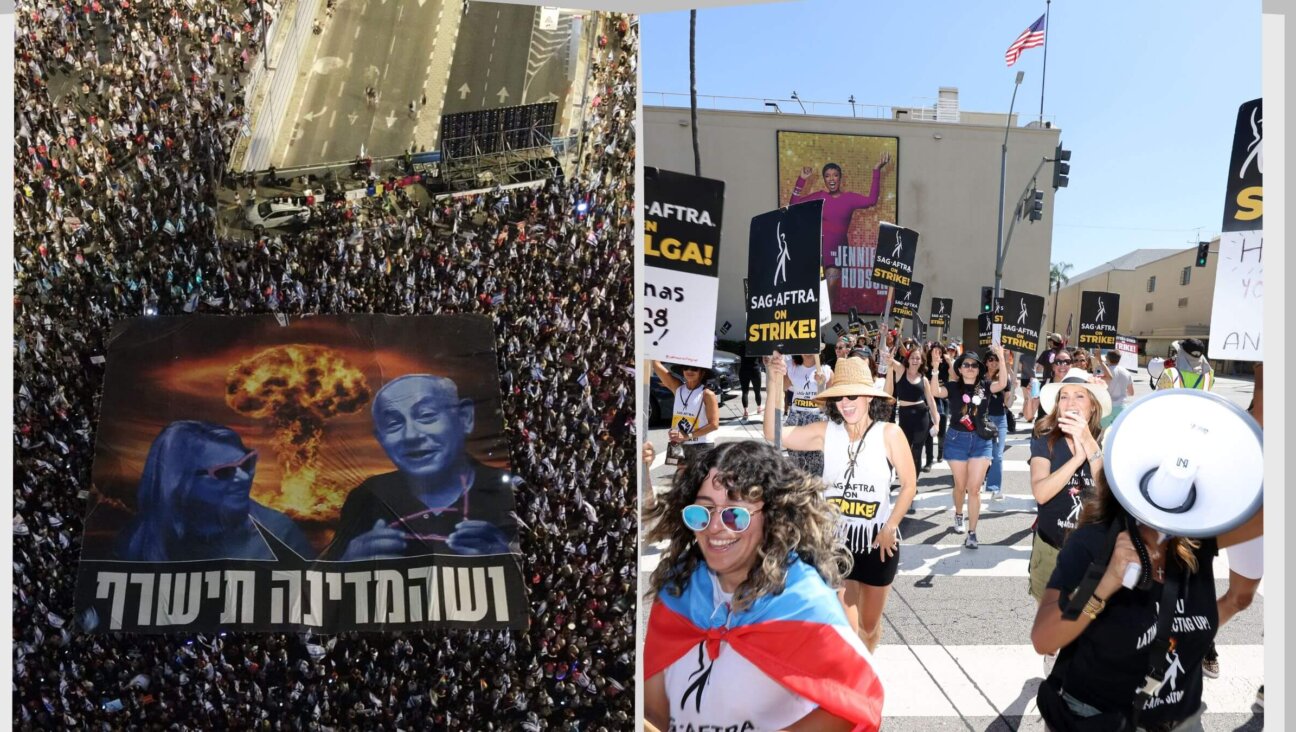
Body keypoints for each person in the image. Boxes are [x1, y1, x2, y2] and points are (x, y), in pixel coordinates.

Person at [643, 441, 885, 731]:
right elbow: (654, 709)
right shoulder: (677, 591)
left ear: (772, 517)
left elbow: (855, 702)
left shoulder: (802, 602)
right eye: (702, 512)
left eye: (735, 514)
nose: (715, 527)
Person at [1030, 469, 1262, 730]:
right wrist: (1103, 584)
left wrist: (1232, 602)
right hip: (1098, 719)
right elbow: (1044, 637)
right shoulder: (1094, 542)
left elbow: (1265, 509)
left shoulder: (1195, 546)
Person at [766, 356, 918, 650]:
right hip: (837, 541)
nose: (845, 403)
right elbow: (773, 435)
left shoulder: (889, 433)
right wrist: (773, 380)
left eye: (852, 395)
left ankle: (868, 651)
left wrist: (891, 527)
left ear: (868, 397)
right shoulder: (826, 432)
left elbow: (910, 484)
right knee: (848, 629)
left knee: (869, 625)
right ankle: (857, 679)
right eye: (839, 397)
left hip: (878, 542)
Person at [323, 375, 517, 560]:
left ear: (465, 417)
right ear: (380, 438)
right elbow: (321, 578)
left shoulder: (506, 491)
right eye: (393, 424)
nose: (411, 435)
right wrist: (347, 563)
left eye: (426, 415)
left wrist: (505, 556)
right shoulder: (368, 497)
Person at [116, 421, 314, 562]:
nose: (244, 478)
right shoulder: (138, 541)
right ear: (179, 483)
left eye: (247, 464)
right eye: (224, 471)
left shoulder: (279, 533)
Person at [789, 154, 892, 306]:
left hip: (837, 252)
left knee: (830, 290)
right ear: (824, 179)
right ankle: (817, 328)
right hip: (817, 250)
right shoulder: (820, 196)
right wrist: (802, 179)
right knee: (814, 293)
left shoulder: (849, 198)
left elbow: (871, 200)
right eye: (827, 176)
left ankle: (823, 327)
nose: (831, 179)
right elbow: (793, 205)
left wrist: (876, 170)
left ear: (840, 178)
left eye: (835, 175)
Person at [931, 346, 1008, 547]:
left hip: (981, 440)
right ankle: (958, 514)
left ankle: (972, 533)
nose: (970, 367)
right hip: (957, 440)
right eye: (966, 364)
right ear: (960, 368)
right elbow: (935, 391)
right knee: (961, 486)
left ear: (978, 368)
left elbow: (1003, 384)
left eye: (974, 365)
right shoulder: (952, 386)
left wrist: (1001, 357)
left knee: (974, 490)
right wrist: (934, 368)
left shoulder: (985, 385)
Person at [652, 361, 720, 469]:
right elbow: (656, 365)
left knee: (699, 481)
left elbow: (714, 424)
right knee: (681, 479)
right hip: (677, 443)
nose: (689, 371)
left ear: (702, 372)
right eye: (686, 368)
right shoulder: (678, 388)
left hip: (700, 445)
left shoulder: (707, 394)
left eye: (694, 368)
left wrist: (687, 436)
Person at [773, 353, 832, 476]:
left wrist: (821, 385)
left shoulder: (826, 370)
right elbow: (779, 388)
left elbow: (832, 403)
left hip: (817, 419)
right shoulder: (792, 367)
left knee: (816, 465)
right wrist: (777, 371)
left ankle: (814, 491)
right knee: (796, 463)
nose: (807, 351)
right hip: (796, 418)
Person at [885, 345, 941, 475]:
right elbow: (890, 360)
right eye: (912, 358)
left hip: (922, 417)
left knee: (917, 450)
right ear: (908, 359)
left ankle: (913, 481)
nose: (915, 360)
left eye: (918, 358)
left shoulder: (924, 379)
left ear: (922, 361)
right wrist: (889, 356)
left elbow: (931, 402)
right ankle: (903, 475)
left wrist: (937, 423)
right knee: (903, 449)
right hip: (905, 416)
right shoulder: (900, 371)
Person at [982, 349, 1016, 501]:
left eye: (996, 360)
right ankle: (978, 480)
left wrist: (1013, 396)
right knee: (982, 454)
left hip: (1000, 420)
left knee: (998, 455)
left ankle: (994, 487)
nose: (993, 362)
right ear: (985, 362)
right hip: (982, 419)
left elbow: (1007, 403)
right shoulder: (979, 378)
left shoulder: (1004, 380)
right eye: (990, 359)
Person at [923, 342, 952, 469]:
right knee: (929, 428)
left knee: (941, 426)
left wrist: (949, 361)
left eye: (939, 352)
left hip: (943, 397)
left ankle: (941, 451)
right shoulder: (925, 364)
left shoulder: (945, 364)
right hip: (929, 398)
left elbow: (954, 375)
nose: (937, 354)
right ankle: (929, 459)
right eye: (934, 351)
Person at [1097, 349, 1135, 428]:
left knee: (1101, 434)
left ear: (1107, 359)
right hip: (1122, 407)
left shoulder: (1104, 371)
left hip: (1107, 407)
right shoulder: (1127, 372)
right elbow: (1131, 392)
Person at [736, 341, 764, 421]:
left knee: (745, 392)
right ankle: (759, 408)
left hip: (743, 370)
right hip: (755, 369)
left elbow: (739, 354)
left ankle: (745, 411)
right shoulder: (756, 347)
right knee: (757, 391)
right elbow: (760, 359)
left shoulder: (741, 346)